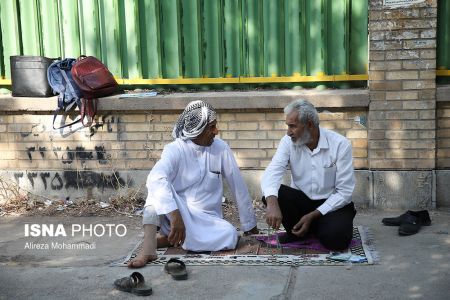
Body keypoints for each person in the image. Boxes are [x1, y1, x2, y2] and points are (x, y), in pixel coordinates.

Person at [129, 100, 258, 268]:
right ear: (197, 129)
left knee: (230, 235)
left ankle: (170, 239)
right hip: (177, 213)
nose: (216, 131)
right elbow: (156, 178)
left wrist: (250, 225)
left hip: (208, 219)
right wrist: (176, 215)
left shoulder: (221, 148)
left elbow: (238, 186)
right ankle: (148, 247)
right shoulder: (175, 149)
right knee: (157, 182)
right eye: (211, 127)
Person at [260, 99, 356, 250]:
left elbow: (345, 192)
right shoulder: (287, 142)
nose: (288, 132)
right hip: (302, 202)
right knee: (272, 193)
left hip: (331, 206)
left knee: (337, 241)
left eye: (293, 126)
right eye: (287, 126)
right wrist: (272, 204)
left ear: (309, 125)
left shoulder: (340, 144)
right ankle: (304, 230)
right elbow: (272, 171)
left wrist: (313, 216)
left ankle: (314, 228)